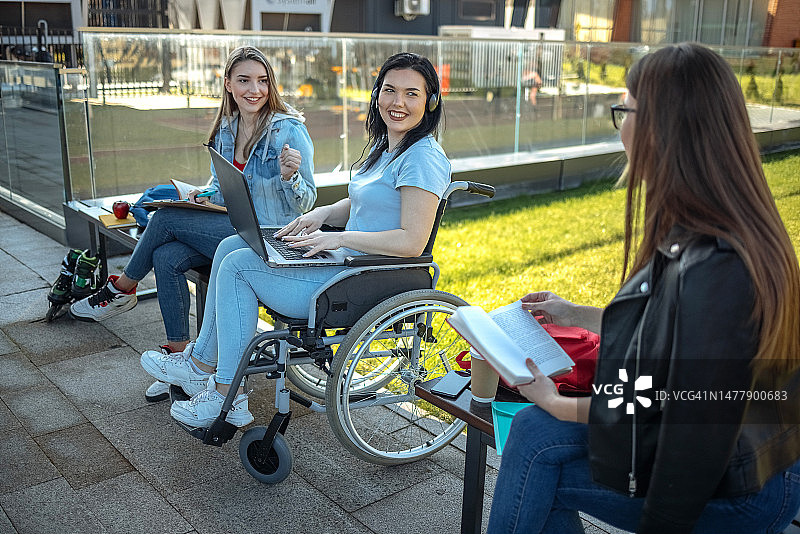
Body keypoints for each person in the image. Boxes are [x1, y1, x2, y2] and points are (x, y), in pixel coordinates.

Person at [487, 43, 800, 534]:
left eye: (625, 110)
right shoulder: (714, 222)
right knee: (532, 431)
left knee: (534, 454)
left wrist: (559, 403)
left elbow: (691, 433)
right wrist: (574, 315)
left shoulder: (717, 266)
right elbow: (673, 339)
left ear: (663, 127)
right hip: (731, 449)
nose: (621, 127)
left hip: (739, 489)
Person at [139, 51, 451, 428]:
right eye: (389, 90)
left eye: (411, 93)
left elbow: (412, 242)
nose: (397, 102)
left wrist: (336, 239)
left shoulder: (423, 157)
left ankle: (226, 394)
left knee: (239, 268)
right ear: (376, 96)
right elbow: (362, 201)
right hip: (342, 265)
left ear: (430, 101)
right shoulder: (389, 147)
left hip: (358, 279)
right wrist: (320, 215)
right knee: (230, 246)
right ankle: (201, 364)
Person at [70, 46, 316, 357]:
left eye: (263, 81)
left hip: (269, 237)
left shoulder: (288, 130)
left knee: (165, 218)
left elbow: (305, 203)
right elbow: (224, 186)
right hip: (233, 228)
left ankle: (121, 290)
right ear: (228, 83)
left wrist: (288, 177)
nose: (255, 90)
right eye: (244, 81)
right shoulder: (228, 128)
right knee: (166, 256)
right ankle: (180, 354)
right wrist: (203, 194)